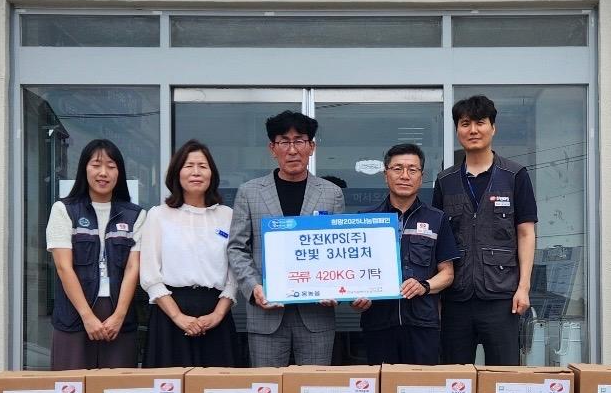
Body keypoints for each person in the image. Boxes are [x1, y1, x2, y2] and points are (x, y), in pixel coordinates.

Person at [227, 110, 345, 367]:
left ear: (311, 146)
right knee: (268, 387)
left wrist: (334, 286)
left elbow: (338, 248)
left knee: (313, 387)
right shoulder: (249, 192)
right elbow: (237, 248)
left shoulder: (331, 193)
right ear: (272, 148)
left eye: (299, 141)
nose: (292, 150)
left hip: (316, 314)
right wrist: (254, 287)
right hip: (266, 313)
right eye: (284, 142)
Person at [432, 94, 538, 365]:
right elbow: (438, 241)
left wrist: (523, 287)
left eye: (480, 122)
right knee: (455, 378)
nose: (473, 130)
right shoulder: (445, 181)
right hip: (456, 298)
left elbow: (526, 233)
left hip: (502, 297)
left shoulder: (515, 175)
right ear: (457, 130)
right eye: (465, 123)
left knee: (503, 378)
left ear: (493, 128)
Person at [352, 143, 458, 365]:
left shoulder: (437, 219)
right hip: (378, 323)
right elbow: (354, 273)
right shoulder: (366, 220)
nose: (405, 176)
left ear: (421, 176)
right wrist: (356, 297)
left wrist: (424, 286)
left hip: (422, 324)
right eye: (397, 168)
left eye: (412, 169)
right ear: (386, 175)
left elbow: (447, 273)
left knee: (421, 385)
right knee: (381, 385)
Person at [46, 138, 145, 370]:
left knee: (118, 388)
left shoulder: (135, 215)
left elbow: (133, 268)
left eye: (111, 166)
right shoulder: (64, 210)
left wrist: (119, 315)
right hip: (74, 314)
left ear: (119, 172)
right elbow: (63, 267)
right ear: (84, 168)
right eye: (96, 165)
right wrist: (87, 316)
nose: (103, 173)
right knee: (71, 387)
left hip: (118, 316)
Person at [140, 139, 238, 367]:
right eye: (189, 166)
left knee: (218, 385)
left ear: (212, 174)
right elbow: (150, 274)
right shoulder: (158, 215)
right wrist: (178, 317)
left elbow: (234, 273)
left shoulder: (227, 215)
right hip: (169, 313)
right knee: (170, 386)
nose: (196, 172)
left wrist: (218, 314)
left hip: (216, 312)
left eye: (202, 166)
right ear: (177, 173)